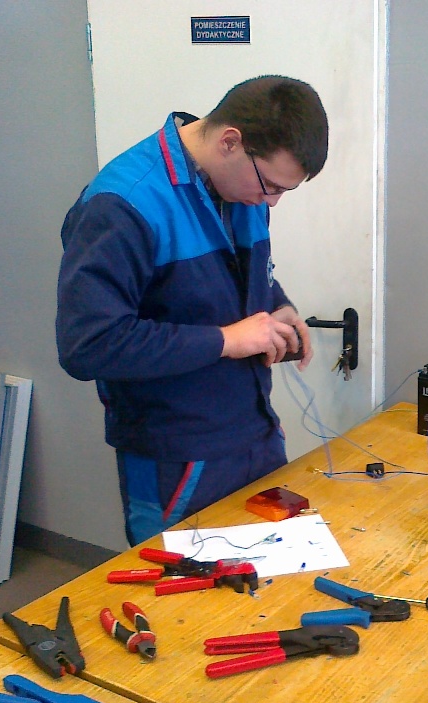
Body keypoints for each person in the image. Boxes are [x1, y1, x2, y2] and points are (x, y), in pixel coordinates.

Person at [56, 75, 327, 545]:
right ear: (230, 141)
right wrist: (227, 341)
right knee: (185, 589)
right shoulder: (122, 206)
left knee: (280, 578)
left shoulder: (240, 187)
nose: (272, 202)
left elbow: (236, 273)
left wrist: (276, 305)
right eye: (270, 185)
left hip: (255, 436)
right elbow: (88, 345)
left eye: (286, 190)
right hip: (177, 458)